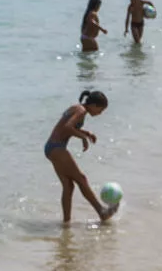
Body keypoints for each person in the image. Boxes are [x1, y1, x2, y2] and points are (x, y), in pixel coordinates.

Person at [45, 90, 116, 224]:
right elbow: (67, 127)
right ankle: (102, 212)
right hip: (57, 147)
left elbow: (64, 127)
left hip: (51, 148)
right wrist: (83, 137)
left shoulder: (77, 108)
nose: (100, 114)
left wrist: (86, 133)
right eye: (100, 110)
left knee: (68, 186)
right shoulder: (81, 111)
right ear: (94, 105)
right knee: (81, 179)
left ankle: (66, 223)